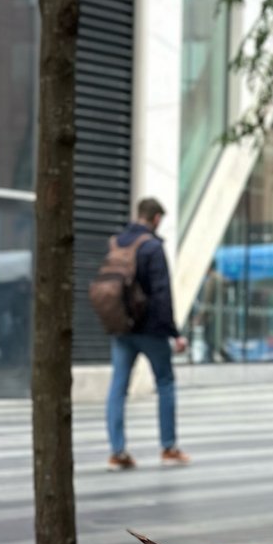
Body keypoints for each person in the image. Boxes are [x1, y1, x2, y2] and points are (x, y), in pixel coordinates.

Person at [105, 197, 190, 469]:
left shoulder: (116, 243)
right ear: (156, 218)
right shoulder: (152, 247)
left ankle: (117, 452)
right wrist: (175, 333)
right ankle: (168, 448)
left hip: (121, 328)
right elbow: (162, 294)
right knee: (165, 383)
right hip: (151, 330)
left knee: (118, 387)